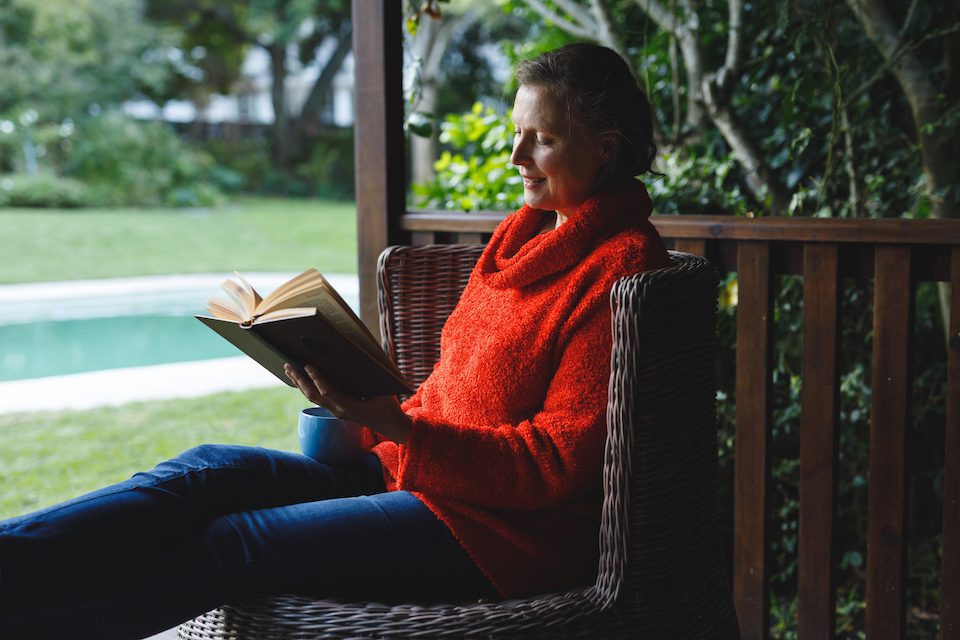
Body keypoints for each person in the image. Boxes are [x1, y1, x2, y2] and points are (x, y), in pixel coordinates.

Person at [0, 43, 670, 639]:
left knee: (233, 544)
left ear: (606, 146)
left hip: (496, 534)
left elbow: (551, 464)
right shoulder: (524, 233)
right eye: (517, 135)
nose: (517, 157)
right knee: (201, 473)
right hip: (401, 470)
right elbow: (459, 391)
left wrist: (398, 427)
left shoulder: (623, 268)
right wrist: (363, 401)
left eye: (542, 140)